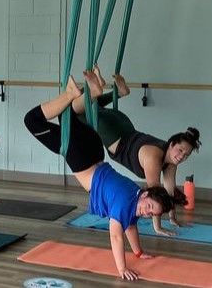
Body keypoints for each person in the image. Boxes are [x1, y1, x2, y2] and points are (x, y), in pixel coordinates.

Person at [24, 70, 174, 281]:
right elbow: (115, 235)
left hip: (95, 149)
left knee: (68, 115)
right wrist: (121, 268)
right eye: (149, 207)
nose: (146, 213)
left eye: (150, 214)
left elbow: (131, 226)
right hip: (81, 156)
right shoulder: (125, 202)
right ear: (146, 194)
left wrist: (139, 252)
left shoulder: (135, 195)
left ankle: (91, 92)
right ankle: (74, 93)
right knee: (32, 120)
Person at [73, 67, 200, 235]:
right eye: (180, 150)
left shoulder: (171, 160)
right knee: (77, 113)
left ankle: (117, 93)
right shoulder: (154, 158)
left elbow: (168, 191)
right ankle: (97, 89)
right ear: (171, 144)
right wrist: (158, 228)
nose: (181, 156)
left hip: (123, 125)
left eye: (186, 154)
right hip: (115, 133)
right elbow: (155, 195)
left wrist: (172, 218)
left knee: (92, 107)